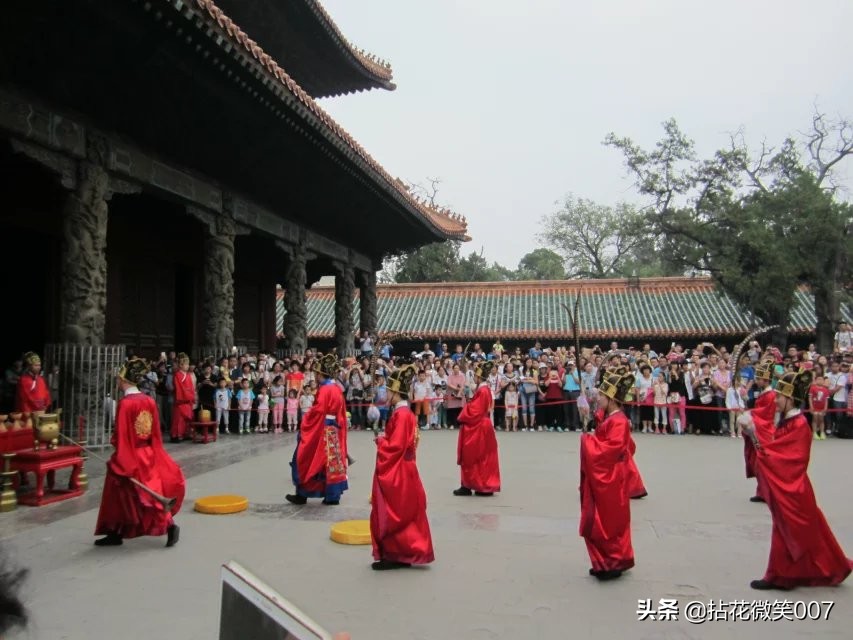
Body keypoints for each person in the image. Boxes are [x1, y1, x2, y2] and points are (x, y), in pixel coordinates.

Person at [742, 369, 852, 590]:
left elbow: (785, 458)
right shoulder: (789, 421)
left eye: (780, 396)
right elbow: (773, 450)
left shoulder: (799, 425)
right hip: (793, 487)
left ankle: (782, 576)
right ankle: (830, 567)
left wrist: (754, 433)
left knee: (789, 531)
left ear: (790, 398)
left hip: (794, 488)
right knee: (805, 530)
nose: (777, 399)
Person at [94, 358, 185, 547]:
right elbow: (155, 432)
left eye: (119, 379)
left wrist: (120, 457)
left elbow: (121, 435)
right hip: (148, 452)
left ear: (125, 380)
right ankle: (116, 531)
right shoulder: (149, 400)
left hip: (130, 454)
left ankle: (167, 525)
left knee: (137, 495)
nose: (118, 382)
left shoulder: (126, 404)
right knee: (144, 493)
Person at [369, 365, 435, 571]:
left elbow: (396, 446)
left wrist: (381, 442)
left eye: (389, 391)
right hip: (406, 467)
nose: (386, 394)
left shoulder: (401, 415)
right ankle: (403, 551)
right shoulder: (404, 413)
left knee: (396, 511)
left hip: (399, 469)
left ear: (396, 392)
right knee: (406, 512)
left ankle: (397, 553)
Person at [580, 367, 635, 580]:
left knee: (610, 521)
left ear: (611, 398)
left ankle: (614, 561)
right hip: (608, 476)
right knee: (602, 520)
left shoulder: (619, 422)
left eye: (602, 395)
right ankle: (604, 561)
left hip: (611, 478)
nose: (599, 398)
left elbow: (609, 450)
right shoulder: (612, 418)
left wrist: (587, 440)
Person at [286, 354, 348, 506]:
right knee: (331, 463)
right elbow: (341, 412)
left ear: (321, 374)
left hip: (321, 429)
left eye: (316, 374)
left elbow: (317, 411)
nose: (315, 376)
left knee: (304, 457)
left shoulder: (325, 389)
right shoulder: (337, 389)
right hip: (334, 429)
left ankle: (302, 495)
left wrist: (306, 422)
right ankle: (332, 496)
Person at [454, 361, 501, 497]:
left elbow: (475, 411)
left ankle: (475, 485)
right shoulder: (484, 390)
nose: (474, 377)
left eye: (475, 376)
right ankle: (479, 484)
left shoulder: (482, 391)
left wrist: (466, 408)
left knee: (472, 456)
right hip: (482, 425)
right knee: (483, 457)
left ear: (479, 377)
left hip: (477, 427)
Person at [738, 357, 776, 503]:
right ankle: (761, 491)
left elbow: (764, 413)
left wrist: (749, 414)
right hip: (760, 428)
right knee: (757, 463)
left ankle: (766, 492)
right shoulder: (765, 394)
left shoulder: (770, 395)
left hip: (763, 430)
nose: (756, 381)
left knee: (763, 464)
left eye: (759, 379)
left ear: (765, 380)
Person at [170, 353, 195, 442]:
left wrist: (192, 396)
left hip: (188, 400)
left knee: (187, 419)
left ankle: (185, 433)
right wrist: (187, 396)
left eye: (188, 364)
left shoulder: (188, 375)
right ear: (181, 365)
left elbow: (191, 387)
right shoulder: (177, 375)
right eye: (186, 364)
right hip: (181, 400)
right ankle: (176, 435)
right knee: (178, 419)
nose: (188, 366)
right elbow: (179, 388)